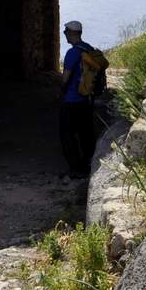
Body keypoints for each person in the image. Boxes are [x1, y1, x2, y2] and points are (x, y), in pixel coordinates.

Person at [59, 20, 98, 179]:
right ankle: (88, 163)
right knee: (85, 133)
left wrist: (60, 92)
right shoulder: (89, 49)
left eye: (66, 32)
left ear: (71, 33)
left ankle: (75, 168)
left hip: (71, 101)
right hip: (86, 100)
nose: (65, 35)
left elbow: (65, 78)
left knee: (67, 134)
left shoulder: (72, 53)